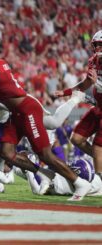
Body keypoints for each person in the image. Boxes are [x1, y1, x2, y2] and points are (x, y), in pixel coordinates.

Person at [0, 36, 91, 201]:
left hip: (27, 109)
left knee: (45, 154)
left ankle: (80, 183)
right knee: (6, 152)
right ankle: (43, 173)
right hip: (16, 113)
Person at [55, 30, 102, 182]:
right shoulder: (93, 61)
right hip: (99, 107)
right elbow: (85, 84)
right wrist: (66, 92)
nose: (98, 49)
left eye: (100, 45)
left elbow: (95, 84)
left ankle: (99, 180)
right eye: (96, 45)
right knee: (77, 139)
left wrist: (98, 84)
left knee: (98, 146)